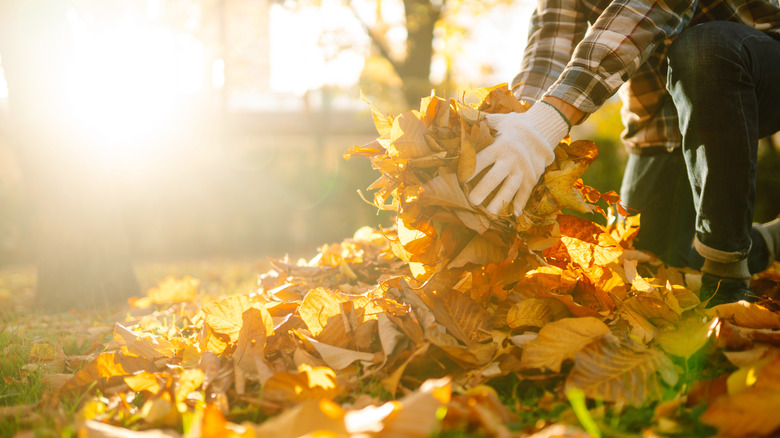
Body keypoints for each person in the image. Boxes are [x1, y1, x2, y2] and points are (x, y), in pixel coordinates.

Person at [467, 0, 780, 306]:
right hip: (662, 122)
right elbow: (548, 53)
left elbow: (652, 6)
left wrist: (550, 118)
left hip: (761, 61)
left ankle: (727, 276)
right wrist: (521, 125)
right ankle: (767, 243)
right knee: (647, 268)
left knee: (705, 48)